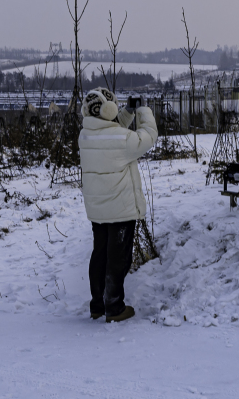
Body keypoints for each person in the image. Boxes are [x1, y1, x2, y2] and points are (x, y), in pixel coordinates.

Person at [78, 88, 158, 323]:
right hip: (120, 210)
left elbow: (110, 129)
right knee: (118, 258)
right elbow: (149, 135)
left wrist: (127, 112)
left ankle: (97, 305)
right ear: (109, 109)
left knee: (99, 254)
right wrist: (142, 109)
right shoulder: (122, 140)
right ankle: (114, 307)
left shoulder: (85, 136)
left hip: (97, 209)